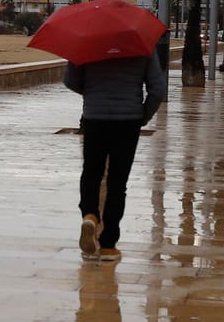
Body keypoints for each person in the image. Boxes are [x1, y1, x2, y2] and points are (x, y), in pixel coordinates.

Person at [64, 53, 165, 262]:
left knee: (92, 172)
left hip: (94, 117)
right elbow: (158, 90)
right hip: (128, 120)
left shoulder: (87, 43)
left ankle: (90, 215)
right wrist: (143, 116)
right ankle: (109, 245)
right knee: (118, 182)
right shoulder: (142, 46)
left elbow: (70, 80)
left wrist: (91, 93)